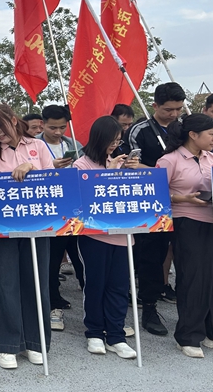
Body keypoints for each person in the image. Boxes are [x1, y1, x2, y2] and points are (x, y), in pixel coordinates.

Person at [0, 104, 54, 370]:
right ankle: (8, 344)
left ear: (13, 120)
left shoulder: (38, 146)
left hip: (37, 224)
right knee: (4, 284)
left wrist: (31, 167)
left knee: (36, 282)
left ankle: (36, 342)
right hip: (2, 226)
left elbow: (53, 179)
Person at [73, 116, 139, 360]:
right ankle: (94, 332)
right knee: (95, 285)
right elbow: (84, 199)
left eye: (118, 141)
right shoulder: (81, 165)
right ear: (99, 138)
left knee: (119, 287)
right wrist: (109, 174)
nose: (114, 145)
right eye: (111, 140)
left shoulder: (119, 162)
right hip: (95, 236)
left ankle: (116, 335)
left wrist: (132, 173)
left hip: (123, 236)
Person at [123, 82, 186, 335]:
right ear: (155, 106)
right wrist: (155, 173)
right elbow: (132, 167)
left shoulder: (185, 128)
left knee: (185, 255)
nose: (174, 114)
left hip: (186, 202)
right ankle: (148, 307)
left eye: (178, 109)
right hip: (152, 204)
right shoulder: (139, 131)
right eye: (168, 109)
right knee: (152, 255)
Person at [156, 114, 213, 358]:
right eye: (211, 134)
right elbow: (155, 194)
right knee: (193, 278)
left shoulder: (210, 157)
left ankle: (209, 331)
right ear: (193, 135)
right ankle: (188, 336)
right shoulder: (169, 160)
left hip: (210, 221)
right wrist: (183, 198)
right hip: (187, 221)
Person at [36, 104, 84, 330]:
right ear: (42, 124)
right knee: (52, 258)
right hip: (49, 209)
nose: (57, 132)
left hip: (74, 208)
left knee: (79, 255)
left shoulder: (74, 145)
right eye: (52, 128)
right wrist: (50, 167)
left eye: (62, 127)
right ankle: (52, 301)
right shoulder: (34, 146)